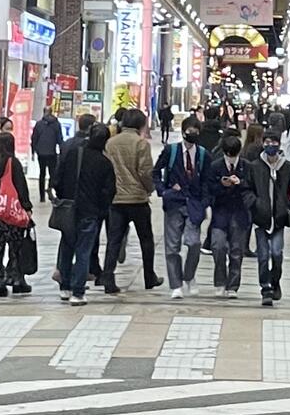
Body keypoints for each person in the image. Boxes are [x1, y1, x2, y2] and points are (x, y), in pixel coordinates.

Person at [59, 121, 115, 304]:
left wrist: (62, 197)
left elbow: (59, 176)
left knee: (67, 247)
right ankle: (78, 291)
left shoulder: (75, 154)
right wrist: (102, 210)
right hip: (90, 211)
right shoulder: (105, 163)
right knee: (84, 250)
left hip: (69, 208)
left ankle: (65, 287)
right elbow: (109, 191)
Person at [104, 110, 160, 294]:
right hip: (137, 199)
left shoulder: (111, 143)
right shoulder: (140, 143)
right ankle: (149, 277)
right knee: (146, 239)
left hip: (116, 198)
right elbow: (145, 171)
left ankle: (108, 278)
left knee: (114, 240)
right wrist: (149, 188)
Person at [157, 115, 208, 300]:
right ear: (183, 132)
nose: (192, 135)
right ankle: (175, 284)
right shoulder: (171, 151)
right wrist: (164, 190)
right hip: (173, 203)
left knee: (194, 242)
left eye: (196, 132)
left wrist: (204, 202)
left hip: (194, 204)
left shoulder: (203, 154)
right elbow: (156, 172)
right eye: (189, 132)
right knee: (172, 246)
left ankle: (189, 275)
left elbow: (207, 181)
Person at [0, 128, 35, 296]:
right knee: (16, 245)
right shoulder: (13, 162)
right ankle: (16, 278)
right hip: (11, 208)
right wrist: (27, 207)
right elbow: (21, 187)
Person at [246, 128, 290, 304]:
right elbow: (248, 189)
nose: (270, 145)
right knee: (263, 255)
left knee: (277, 253)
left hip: (279, 218)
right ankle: (265, 288)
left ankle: (275, 281)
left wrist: (289, 205)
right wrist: (255, 203)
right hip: (261, 218)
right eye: (266, 142)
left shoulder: (287, 167)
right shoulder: (255, 166)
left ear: (279, 144)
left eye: (273, 142)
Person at [206, 131, 252, 293]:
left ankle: (233, 285)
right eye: (228, 155)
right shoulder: (216, 166)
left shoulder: (246, 166)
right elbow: (209, 188)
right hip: (221, 211)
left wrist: (240, 183)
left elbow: (252, 188)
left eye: (233, 155)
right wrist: (222, 185)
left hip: (240, 212)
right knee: (218, 246)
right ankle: (220, 280)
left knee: (237, 250)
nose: (231, 157)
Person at [30, 106, 62, 201]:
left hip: (41, 152)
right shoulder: (56, 124)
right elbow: (59, 138)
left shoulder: (39, 124)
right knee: (53, 173)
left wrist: (33, 151)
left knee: (42, 173)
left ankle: (42, 197)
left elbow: (34, 138)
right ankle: (50, 189)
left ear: (44, 112)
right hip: (52, 152)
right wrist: (61, 149)